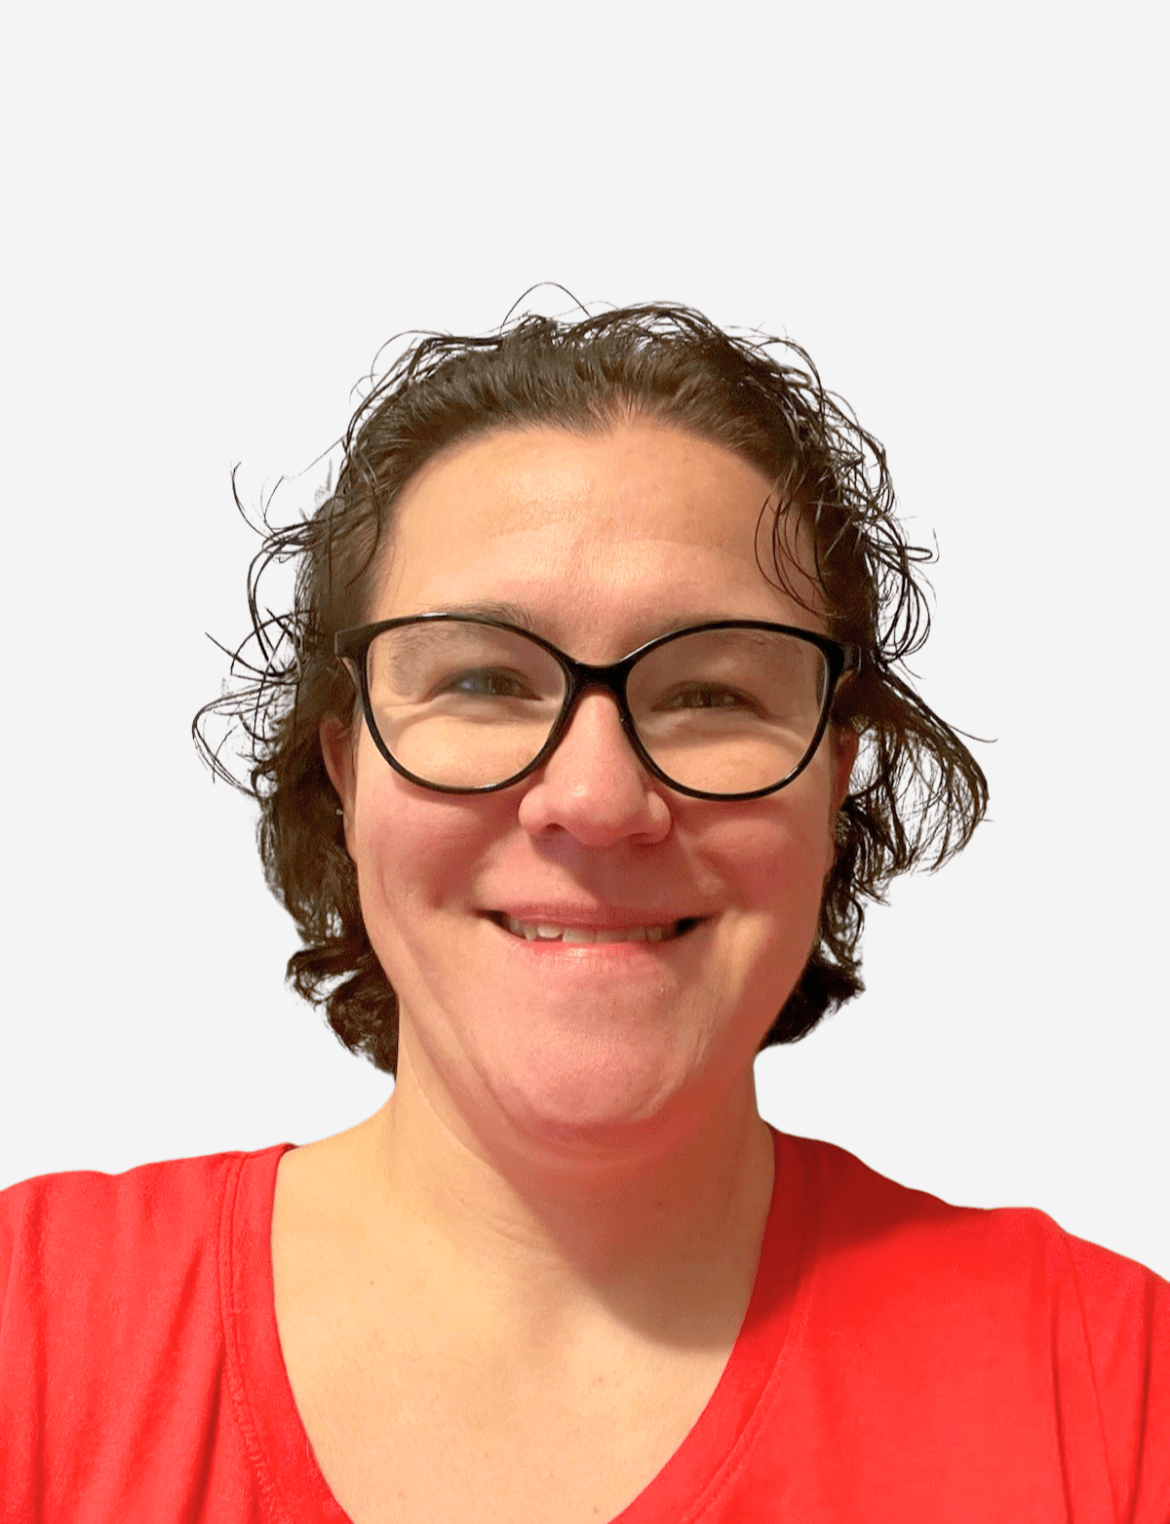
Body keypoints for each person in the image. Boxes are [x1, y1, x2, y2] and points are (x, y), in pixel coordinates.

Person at [2, 302, 1166, 1523]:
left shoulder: (1108, 1390)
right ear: (345, 770)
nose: (598, 800)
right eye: (485, 680)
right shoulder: (29, 1331)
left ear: (837, 777)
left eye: (710, 691)